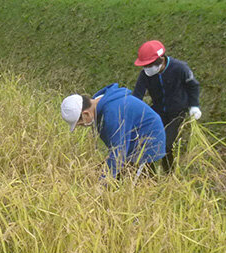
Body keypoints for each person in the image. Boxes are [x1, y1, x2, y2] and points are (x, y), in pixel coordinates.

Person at [60, 83, 166, 179]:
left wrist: (102, 184)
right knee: (116, 176)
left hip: (149, 142)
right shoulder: (99, 102)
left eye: (81, 123)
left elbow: (118, 152)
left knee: (134, 184)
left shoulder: (112, 113)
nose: (82, 126)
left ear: (86, 113)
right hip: (131, 140)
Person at [132, 40, 201, 172]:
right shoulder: (145, 75)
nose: (147, 69)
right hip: (158, 111)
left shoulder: (180, 68)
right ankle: (148, 176)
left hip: (177, 111)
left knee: (167, 144)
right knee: (145, 141)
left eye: (149, 65)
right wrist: (133, 112)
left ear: (161, 60)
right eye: (144, 66)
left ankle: (169, 173)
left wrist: (194, 105)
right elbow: (137, 95)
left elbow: (193, 86)